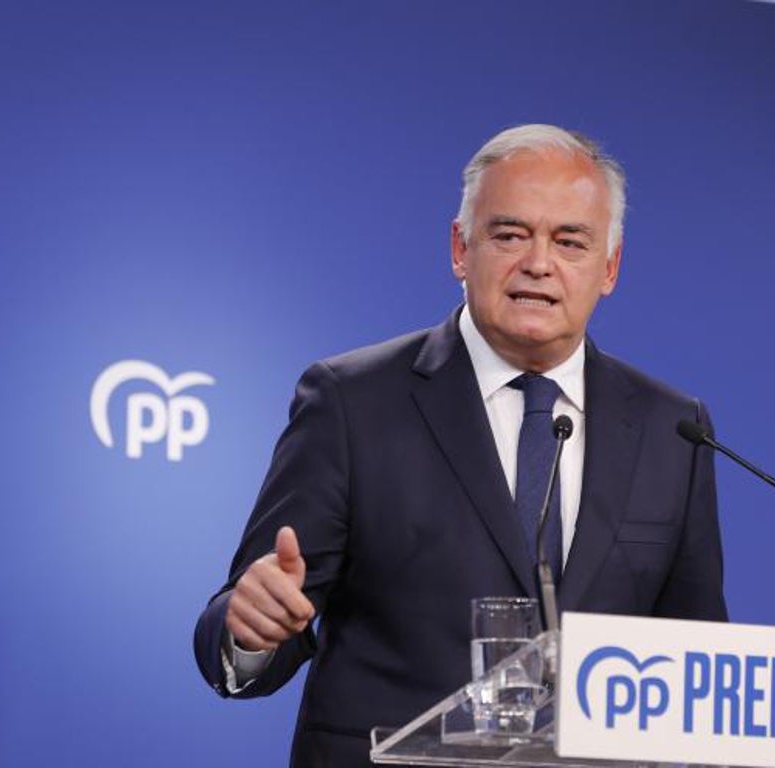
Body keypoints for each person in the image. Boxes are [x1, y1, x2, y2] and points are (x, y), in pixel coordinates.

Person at [193, 124, 728, 767]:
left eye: (570, 241)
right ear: (459, 249)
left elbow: (698, 665)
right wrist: (249, 632)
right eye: (510, 235)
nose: (539, 263)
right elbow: (251, 617)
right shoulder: (351, 401)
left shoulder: (675, 428)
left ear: (609, 267)